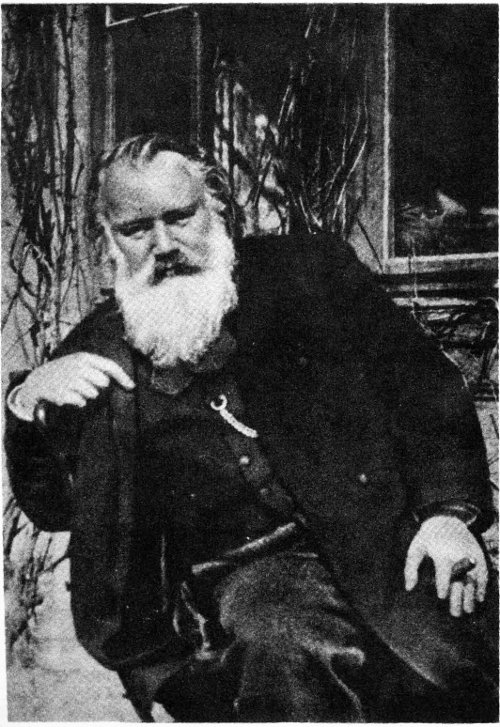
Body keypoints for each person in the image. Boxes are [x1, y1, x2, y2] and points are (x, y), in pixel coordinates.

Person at [5, 133, 498, 722]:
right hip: (253, 579)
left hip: (385, 537)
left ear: (214, 205)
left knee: (464, 662)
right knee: (283, 650)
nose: (164, 245)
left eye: (180, 217)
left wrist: (448, 515)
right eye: (136, 229)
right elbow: (57, 509)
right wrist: (26, 403)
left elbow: (421, 386)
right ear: (107, 237)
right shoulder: (95, 350)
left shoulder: (308, 272)